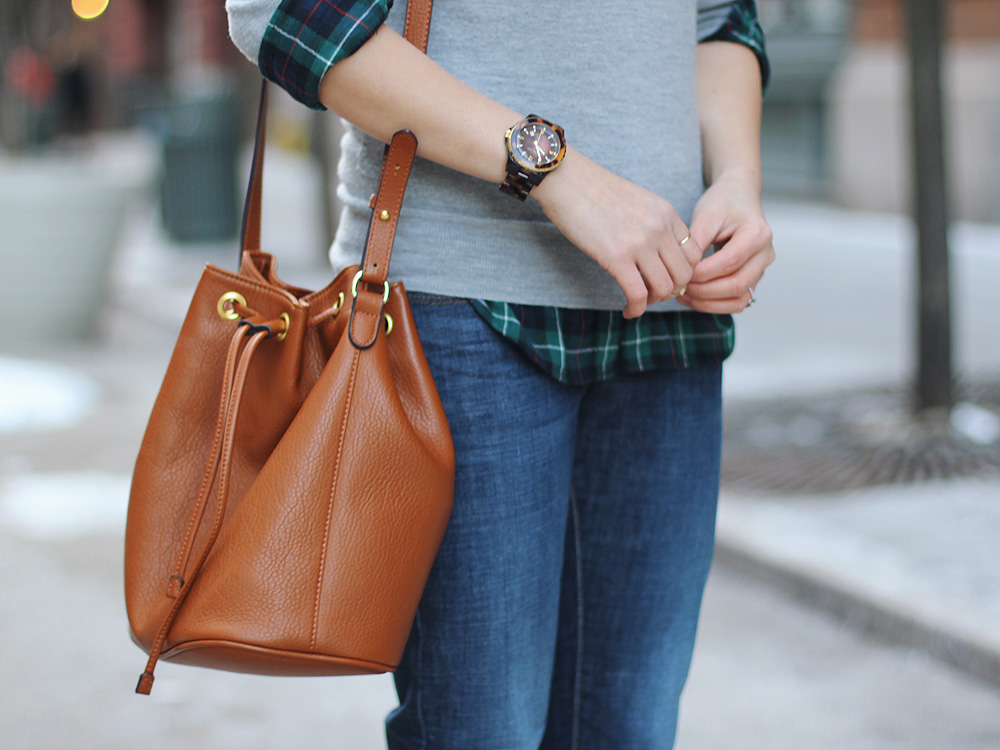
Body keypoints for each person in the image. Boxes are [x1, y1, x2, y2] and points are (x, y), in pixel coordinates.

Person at [227, 1, 774, 748]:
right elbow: (285, 15)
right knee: (480, 731)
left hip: (670, 310)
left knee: (632, 730)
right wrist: (556, 169)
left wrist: (738, 178)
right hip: (459, 310)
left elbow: (717, 20)